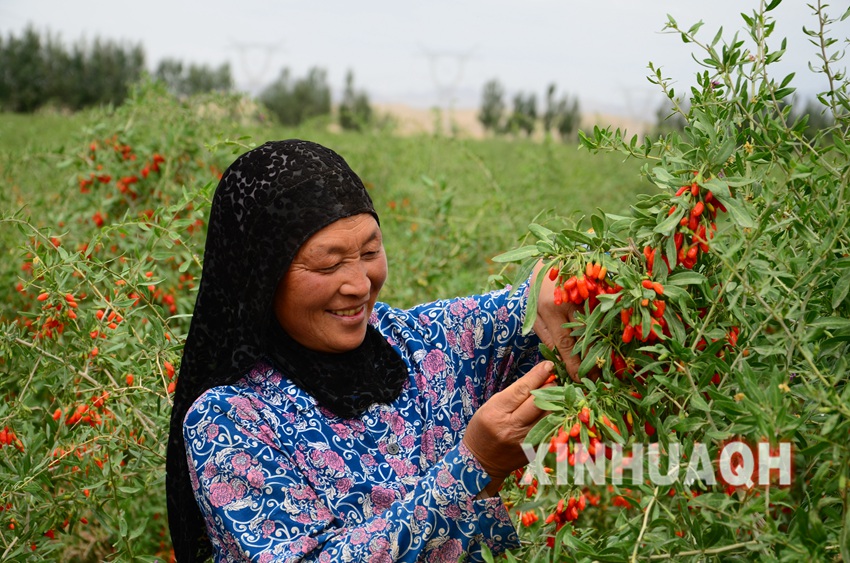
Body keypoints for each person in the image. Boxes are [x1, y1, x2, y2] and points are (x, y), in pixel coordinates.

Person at [166, 139, 582, 562]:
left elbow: (551, 301)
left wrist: (562, 271)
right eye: (328, 265)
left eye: (370, 252)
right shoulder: (231, 419)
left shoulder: (429, 341)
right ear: (260, 278)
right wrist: (472, 467)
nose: (361, 285)